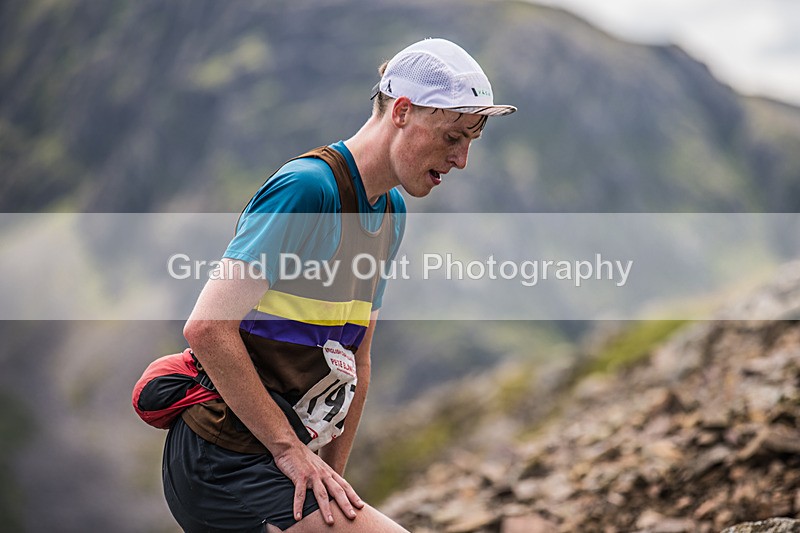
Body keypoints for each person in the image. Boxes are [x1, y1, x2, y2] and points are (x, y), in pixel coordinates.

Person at [162, 37, 516, 533]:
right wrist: (292, 453)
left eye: (470, 143)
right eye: (454, 137)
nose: (461, 161)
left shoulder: (390, 211)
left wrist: (331, 477)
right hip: (223, 456)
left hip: (272, 455)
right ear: (404, 112)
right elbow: (206, 328)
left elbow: (359, 358)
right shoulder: (308, 189)